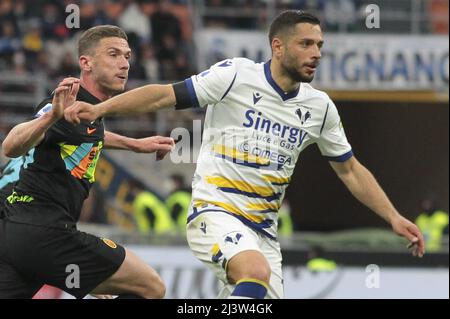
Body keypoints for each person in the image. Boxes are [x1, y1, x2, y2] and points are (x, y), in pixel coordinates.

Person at [64, 12, 426, 299]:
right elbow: (163, 95)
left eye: (319, 44)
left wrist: (392, 216)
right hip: (216, 210)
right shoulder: (236, 75)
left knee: (254, 281)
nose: (316, 52)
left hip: (264, 233)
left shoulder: (320, 108)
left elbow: (349, 170)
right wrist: (100, 110)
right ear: (278, 46)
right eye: (306, 43)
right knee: (254, 272)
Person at [0, 25, 175, 299]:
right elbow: (11, 145)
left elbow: (88, 131)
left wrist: (134, 144)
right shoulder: (66, 104)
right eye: (114, 54)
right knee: (151, 287)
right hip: (45, 232)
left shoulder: (89, 112)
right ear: (86, 63)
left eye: (127, 56)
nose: (124, 64)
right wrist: (51, 117)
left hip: (17, 237)